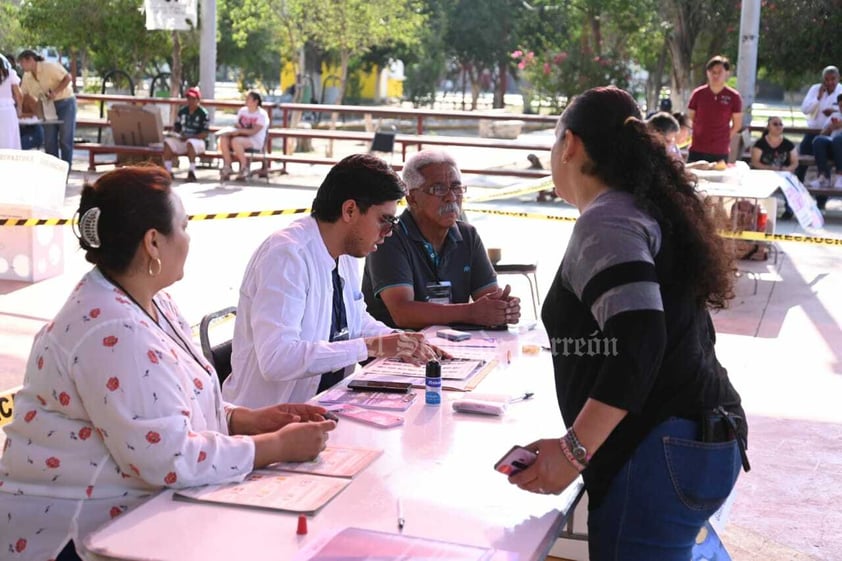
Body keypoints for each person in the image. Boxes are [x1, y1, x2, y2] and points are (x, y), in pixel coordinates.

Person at [0, 166, 336, 561]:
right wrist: (273, 446)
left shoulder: (152, 301)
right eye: (184, 226)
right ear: (153, 243)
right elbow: (167, 458)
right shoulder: (112, 329)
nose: (189, 238)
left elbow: (160, 408)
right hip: (78, 536)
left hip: (137, 517)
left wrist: (245, 420)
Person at [506, 86, 748, 560]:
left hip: (659, 451)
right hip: (704, 438)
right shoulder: (647, 211)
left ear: (570, 144)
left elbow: (638, 339)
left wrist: (573, 451)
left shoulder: (607, 221)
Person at [222, 154, 439, 409]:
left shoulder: (345, 252)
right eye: (385, 220)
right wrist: (373, 346)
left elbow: (355, 321)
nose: (388, 233)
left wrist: (402, 341)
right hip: (268, 426)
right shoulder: (287, 255)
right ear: (349, 210)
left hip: (326, 407)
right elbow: (277, 359)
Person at [362, 150, 521, 329]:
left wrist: (502, 308)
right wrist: (471, 312)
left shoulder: (468, 235)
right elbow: (402, 313)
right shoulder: (390, 237)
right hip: (399, 350)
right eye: (438, 189)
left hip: (457, 347)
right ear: (412, 198)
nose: (451, 197)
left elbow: (489, 298)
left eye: (456, 188)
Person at [17, 49, 77, 169]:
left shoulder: (50, 66)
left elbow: (67, 78)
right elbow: (22, 93)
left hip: (65, 102)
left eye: (22, 62)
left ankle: (66, 170)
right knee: (49, 140)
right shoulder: (27, 76)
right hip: (47, 106)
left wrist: (55, 92)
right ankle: (53, 171)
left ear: (30, 60)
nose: (21, 66)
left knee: (65, 139)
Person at [687, 55, 742, 164]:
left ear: (727, 73)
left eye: (719, 72)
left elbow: (737, 125)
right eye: (712, 71)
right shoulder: (698, 94)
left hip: (720, 150)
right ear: (707, 72)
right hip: (697, 148)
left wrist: (724, 138)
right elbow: (690, 119)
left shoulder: (734, 96)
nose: (715, 75)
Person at [795, 66, 842, 188]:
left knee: (826, 163)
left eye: (833, 79)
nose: (830, 82)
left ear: (838, 78)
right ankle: (796, 192)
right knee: (801, 164)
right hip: (813, 132)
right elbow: (805, 109)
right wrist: (818, 98)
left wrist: (834, 110)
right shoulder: (815, 89)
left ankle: (821, 201)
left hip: (833, 134)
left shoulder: (841, 91)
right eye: (826, 79)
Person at [217, 91, 269, 181]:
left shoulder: (262, 114)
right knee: (223, 138)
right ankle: (228, 165)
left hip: (255, 140)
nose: (246, 100)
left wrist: (239, 131)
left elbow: (254, 131)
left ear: (256, 101)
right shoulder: (242, 111)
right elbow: (237, 125)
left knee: (236, 141)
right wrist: (232, 131)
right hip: (240, 136)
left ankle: (244, 168)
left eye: (248, 99)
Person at [162, 86, 209, 182]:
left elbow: (204, 134)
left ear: (198, 100)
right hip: (182, 139)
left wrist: (189, 137)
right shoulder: (182, 111)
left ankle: (191, 172)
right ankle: (168, 171)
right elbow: (177, 127)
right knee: (167, 142)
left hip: (198, 142)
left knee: (190, 143)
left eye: (193, 98)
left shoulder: (203, 114)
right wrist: (174, 135)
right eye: (188, 98)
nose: (190, 101)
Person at [808, 92, 842, 191]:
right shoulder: (835, 115)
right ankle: (824, 176)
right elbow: (822, 134)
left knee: (838, 139)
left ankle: (840, 175)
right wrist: (830, 128)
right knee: (818, 140)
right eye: (841, 106)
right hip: (834, 148)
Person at [0, 53, 22, 149]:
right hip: (8, 109)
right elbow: (18, 94)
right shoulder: (10, 73)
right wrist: (19, 109)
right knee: (9, 139)